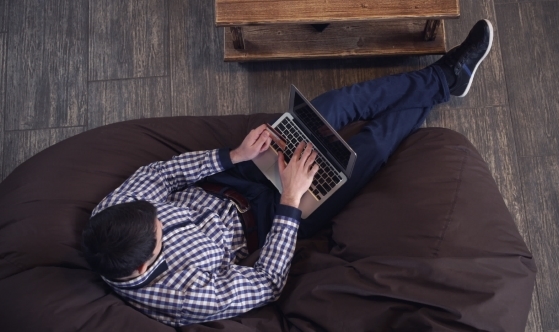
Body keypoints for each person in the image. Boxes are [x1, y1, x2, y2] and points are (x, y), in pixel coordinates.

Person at [82, 19, 494, 326]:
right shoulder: (183, 296)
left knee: (330, 109)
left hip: (231, 177)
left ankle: (441, 79)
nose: (160, 219)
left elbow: (163, 174)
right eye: (159, 233)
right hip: (269, 220)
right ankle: (444, 79)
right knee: (366, 152)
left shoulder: (116, 211)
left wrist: (232, 155)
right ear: (143, 266)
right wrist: (290, 201)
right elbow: (266, 283)